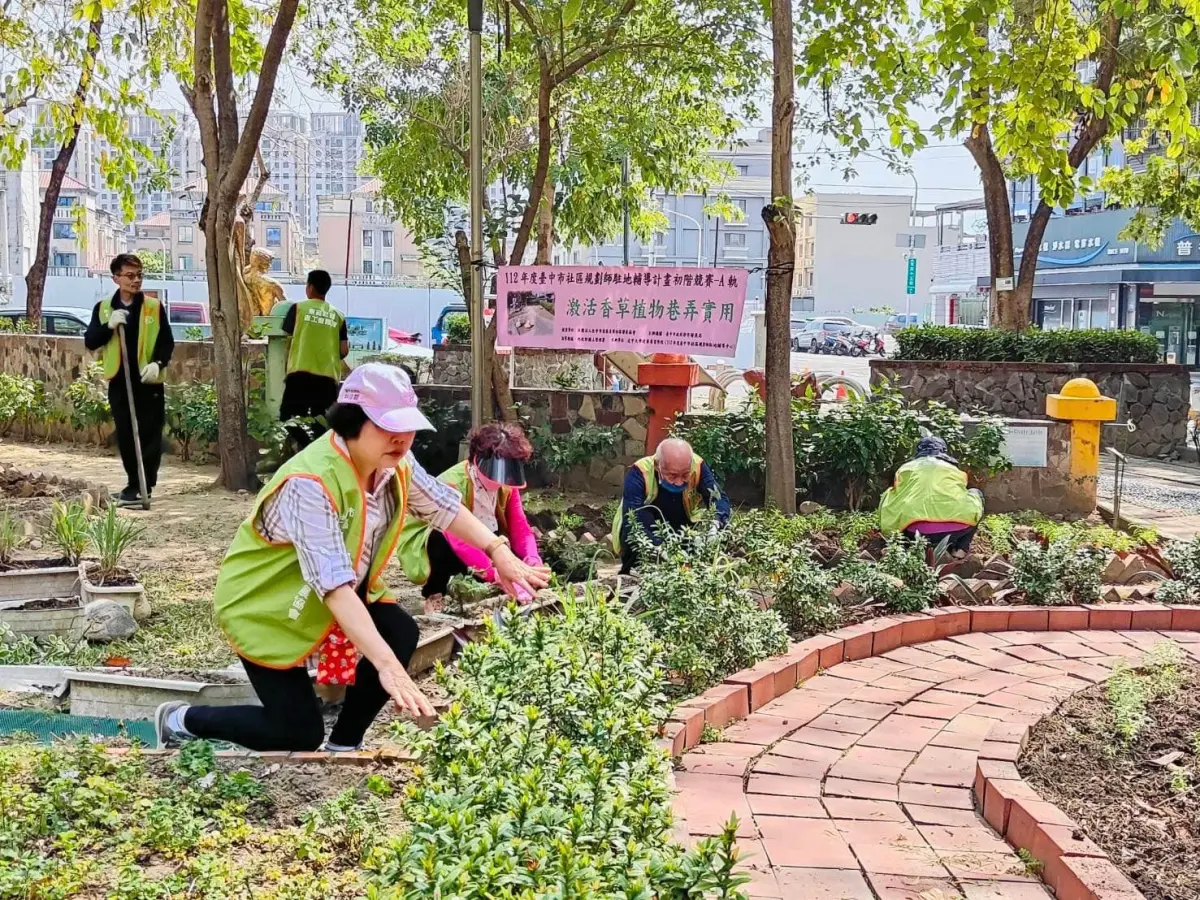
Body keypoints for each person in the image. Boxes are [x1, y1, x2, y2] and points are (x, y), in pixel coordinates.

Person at [153, 364, 551, 752]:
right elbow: (334, 587)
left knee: (400, 632)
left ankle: (344, 743)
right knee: (297, 731)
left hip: (342, 589)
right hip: (268, 607)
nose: (401, 439)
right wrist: (387, 667)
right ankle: (181, 719)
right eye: (387, 427)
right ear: (352, 422)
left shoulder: (396, 463)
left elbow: (441, 505)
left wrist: (499, 552)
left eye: (407, 428)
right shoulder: (310, 483)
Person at [398, 422, 543, 611]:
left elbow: (520, 528)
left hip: (482, 543)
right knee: (439, 536)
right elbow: (458, 537)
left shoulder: (507, 486)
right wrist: (495, 573)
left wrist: (532, 561)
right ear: (476, 460)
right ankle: (435, 593)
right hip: (436, 541)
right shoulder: (453, 483)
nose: (500, 481)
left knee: (512, 550)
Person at [84, 253, 174, 507]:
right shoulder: (103, 308)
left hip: (148, 381)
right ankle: (134, 483)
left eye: (140, 275)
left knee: (150, 433)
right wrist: (108, 326)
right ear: (116, 278)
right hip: (119, 380)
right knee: (125, 433)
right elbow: (91, 341)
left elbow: (167, 342)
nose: (136, 281)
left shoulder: (153, 307)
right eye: (130, 276)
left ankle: (144, 486)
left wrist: (158, 364)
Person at [611, 437, 731, 573]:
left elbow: (718, 498)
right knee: (635, 536)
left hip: (680, 524)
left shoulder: (697, 465)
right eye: (672, 476)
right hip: (645, 526)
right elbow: (632, 519)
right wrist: (660, 548)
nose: (679, 482)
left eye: (685, 475)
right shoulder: (639, 472)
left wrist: (715, 524)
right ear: (657, 466)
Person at [879, 436, 984, 557]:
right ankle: (960, 549)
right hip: (955, 530)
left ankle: (897, 546)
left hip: (913, 532)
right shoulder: (954, 470)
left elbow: (897, 494)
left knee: (890, 495)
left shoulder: (905, 469)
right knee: (976, 495)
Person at [280, 269, 348, 447]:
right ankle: (316, 451)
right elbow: (344, 350)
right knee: (323, 422)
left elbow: (285, 337)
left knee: (288, 417)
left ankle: (305, 446)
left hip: (300, 372)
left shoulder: (298, 308)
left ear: (309, 287)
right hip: (327, 377)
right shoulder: (338, 315)